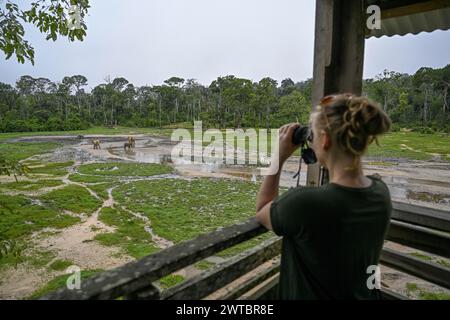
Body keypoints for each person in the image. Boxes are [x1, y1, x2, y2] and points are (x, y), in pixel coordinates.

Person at [255, 94, 392, 299]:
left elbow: (262, 209)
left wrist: (279, 156)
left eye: (313, 136)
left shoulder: (304, 203)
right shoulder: (380, 192)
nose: (311, 142)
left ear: (325, 140)